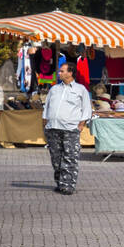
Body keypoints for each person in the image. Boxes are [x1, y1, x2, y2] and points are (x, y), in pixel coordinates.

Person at [42, 61, 91, 194]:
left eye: (62, 71)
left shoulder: (80, 90)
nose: (59, 73)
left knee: (70, 158)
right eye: (60, 71)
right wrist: (45, 124)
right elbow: (46, 108)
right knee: (56, 158)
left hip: (70, 129)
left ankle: (68, 186)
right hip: (53, 128)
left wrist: (81, 125)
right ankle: (60, 183)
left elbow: (86, 109)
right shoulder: (54, 89)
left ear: (70, 73)